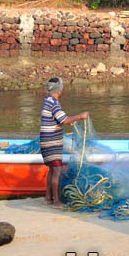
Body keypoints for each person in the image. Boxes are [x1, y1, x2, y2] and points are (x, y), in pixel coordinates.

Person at [40, 77, 88, 207]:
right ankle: (56, 201)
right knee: (57, 169)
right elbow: (64, 120)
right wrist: (80, 116)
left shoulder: (47, 101)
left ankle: (48, 198)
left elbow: (58, 119)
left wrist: (67, 121)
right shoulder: (54, 103)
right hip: (52, 142)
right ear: (58, 90)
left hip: (46, 141)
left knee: (52, 169)